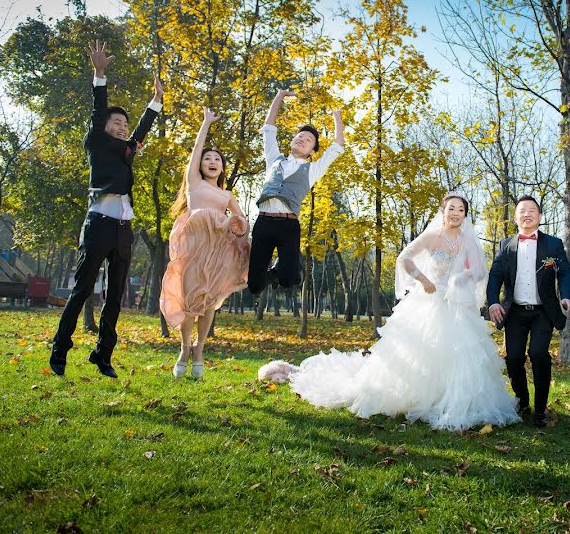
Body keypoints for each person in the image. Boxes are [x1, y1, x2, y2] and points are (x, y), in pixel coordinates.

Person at [289, 193, 520, 431]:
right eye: (451, 208)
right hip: (429, 300)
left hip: (457, 306)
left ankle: (450, 400)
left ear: (465, 215)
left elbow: (481, 271)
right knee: (420, 350)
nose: (455, 213)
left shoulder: (468, 241)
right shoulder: (432, 236)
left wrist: (465, 276)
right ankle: (414, 396)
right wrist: (423, 279)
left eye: (461, 210)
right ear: (443, 211)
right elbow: (405, 258)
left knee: (461, 354)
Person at [49, 40, 163, 378]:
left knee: (114, 297)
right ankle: (60, 350)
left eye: (125, 125)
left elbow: (142, 130)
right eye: (117, 123)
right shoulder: (96, 142)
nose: (123, 127)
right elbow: (98, 112)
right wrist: (99, 76)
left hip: (122, 231)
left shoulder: (128, 150)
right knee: (83, 289)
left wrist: (155, 102)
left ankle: (103, 355)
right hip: (98, 224)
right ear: (105, 127)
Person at [160, 108, 250, 379]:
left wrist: (237, 223)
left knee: (209, 303)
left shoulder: (226, 195)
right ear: (199, 165)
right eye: (207, 158)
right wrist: (205, 124)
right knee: (190, 302)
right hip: (192, 252)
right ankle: (184, 349)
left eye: (217, 159)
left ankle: (200, 350)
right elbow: (196, 150)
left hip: (217, 256)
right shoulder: (194, 185)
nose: (212, 161)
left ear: (222, 168)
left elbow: (242, 222)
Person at [487, 196, 570, 428]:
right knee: (513, 358)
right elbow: (495, 275)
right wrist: (493, 301)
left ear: (539, 216)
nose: (527, 214)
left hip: (542, 312)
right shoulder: (505, 245)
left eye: (532, 210)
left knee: (538, 354)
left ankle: (540, 409)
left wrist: (566, 296)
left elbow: (564, 272)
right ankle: (522, 401)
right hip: (514, 311)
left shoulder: (553, 245)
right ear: (515, 218)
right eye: (522, 211)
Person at [247, 91, 344, 295]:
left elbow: (337, 147)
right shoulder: (274, 159)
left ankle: (283, 268)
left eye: (308, 140)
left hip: (288, 225)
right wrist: (279, 97)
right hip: (263, 223)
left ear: (312, 151)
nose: (302, 139)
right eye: (300, 136)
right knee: (255, 286)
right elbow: (269, 129)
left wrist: (337, 116)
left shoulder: (312, 170)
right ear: (292, 141)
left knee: (289, 279)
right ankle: (270, 273)